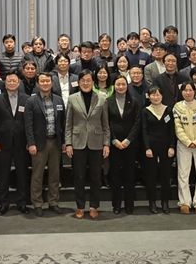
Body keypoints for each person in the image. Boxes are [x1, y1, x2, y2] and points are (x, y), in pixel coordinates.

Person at [65, 70, 110, 219]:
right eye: (83, 80)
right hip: (77, 143)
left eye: (88, 80)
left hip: (96, 142)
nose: (86, 83)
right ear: (79, 82)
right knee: (79, 176)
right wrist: (68, 143)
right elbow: (68, 124)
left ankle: (94, 206)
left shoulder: (102, 99)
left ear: (93, 82)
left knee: (96, 177)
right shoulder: (72, 98)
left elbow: (106, 125)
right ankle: (80, 206)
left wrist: (106, 144)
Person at [24, 72, 66, 216]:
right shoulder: (31, 101)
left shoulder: (59, 100)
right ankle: (37, 203)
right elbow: (28, 125)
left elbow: (63, 123)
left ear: (52, 83)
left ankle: (53, 202)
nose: (45, 83)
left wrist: (64, 142)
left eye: (48, 81)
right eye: (42, 81)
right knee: (37, 175)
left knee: (55, 174)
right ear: (37, 84)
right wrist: (31, 143)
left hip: (55, 142)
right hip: (39, 144)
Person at [0, 71, 30, 215]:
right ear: (5, 83)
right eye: (9, 81)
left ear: (18, 83)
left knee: (22, 174)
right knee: (3, 174)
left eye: (14, 81)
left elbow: (29, 123)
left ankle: (22, 202)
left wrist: (30, 141)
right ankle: (3, 203)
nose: (12, 83)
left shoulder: (26, 99)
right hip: (3, 142)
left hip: (22, 142)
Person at [173, 82, 196, 214]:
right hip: (184, 145)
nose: (188, 93)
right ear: (182, 92)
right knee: (183, 174)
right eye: (185, 90)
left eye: (190, 90)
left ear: (194, 91)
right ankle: (184, 202)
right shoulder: (177, 107)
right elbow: (178, 127)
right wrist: (187, 142)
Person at [107, 75, 141, 215]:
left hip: (130, 144)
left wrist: (128, 140)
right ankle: (116, 205)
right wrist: (113, 140)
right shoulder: (108, 101)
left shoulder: (134, 101)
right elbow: (106, 123)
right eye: (118, 84)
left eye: (123, 84)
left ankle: (129, 204)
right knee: (115, 176)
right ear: (114, 86)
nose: (121, 87)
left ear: (127, 86)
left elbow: (137, 122)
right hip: (114, 144)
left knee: (129, 175)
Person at [141, 86, 175, 214]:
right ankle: (152, 202)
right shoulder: (145, 111)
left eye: (158, 95)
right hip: (151, 148)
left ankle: (165, 202)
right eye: (153, 95)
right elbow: (144, 131)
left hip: (166, 148)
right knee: (151, 176)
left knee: (166, 176)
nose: (156, 97)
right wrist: (147, 148)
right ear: (149, 97)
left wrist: (172, 146)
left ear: (162, 96)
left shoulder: (168, 110)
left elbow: (172, 130)